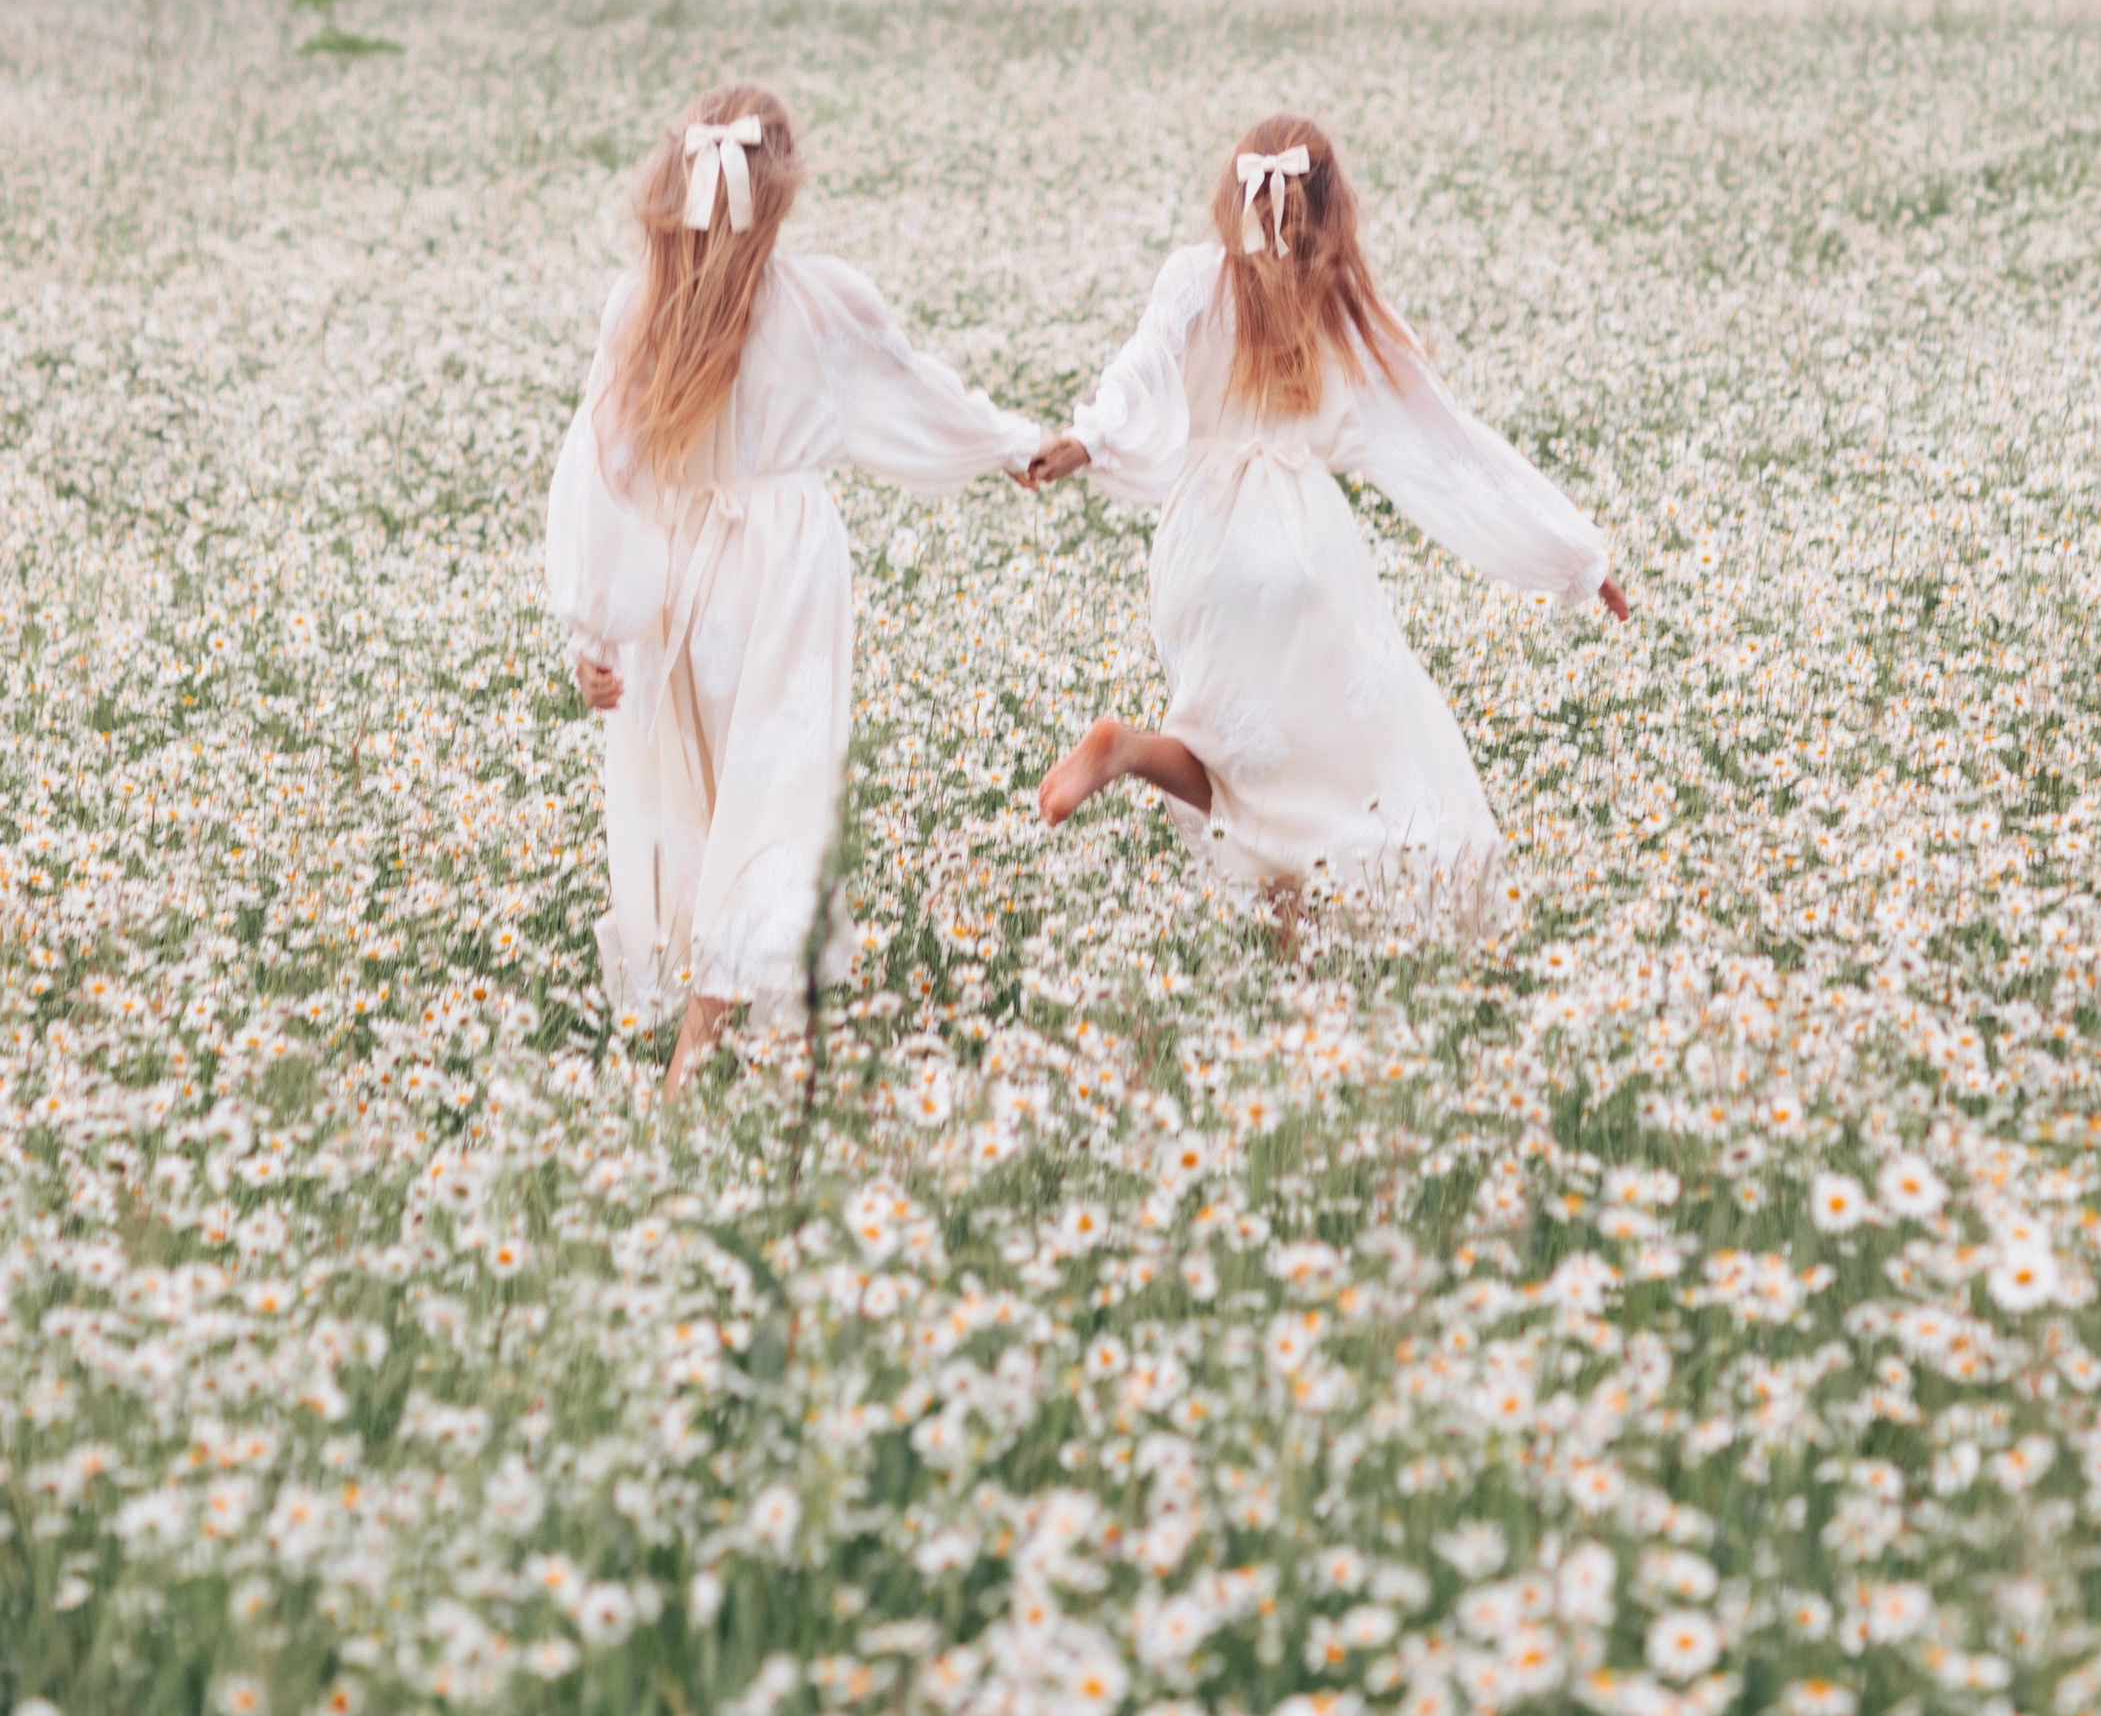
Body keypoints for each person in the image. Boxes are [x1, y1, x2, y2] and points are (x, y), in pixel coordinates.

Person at [548, 86, 1039, 1093]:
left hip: (681, 577)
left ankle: (763, 1026)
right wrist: (1018, 447)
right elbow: (922, 398)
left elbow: (602, 467)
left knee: (711, 797)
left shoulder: (638, 303)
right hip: (784, 577)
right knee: (775, 803)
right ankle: (703, 1050)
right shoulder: (826, 298)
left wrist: (593, 629)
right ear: (778, 190)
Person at [1029, 113, 1628, 921]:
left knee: (1237, 747)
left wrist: (1084, 440)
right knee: (1318, 763)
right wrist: (1573, 558)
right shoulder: (1345, 309)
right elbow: (1454, 447)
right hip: (1300, 548)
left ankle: (1137, 755)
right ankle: (1280, 905)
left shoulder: (1196, 279)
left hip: (1198, 545)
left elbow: (1142, 366)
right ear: (1332, 207)